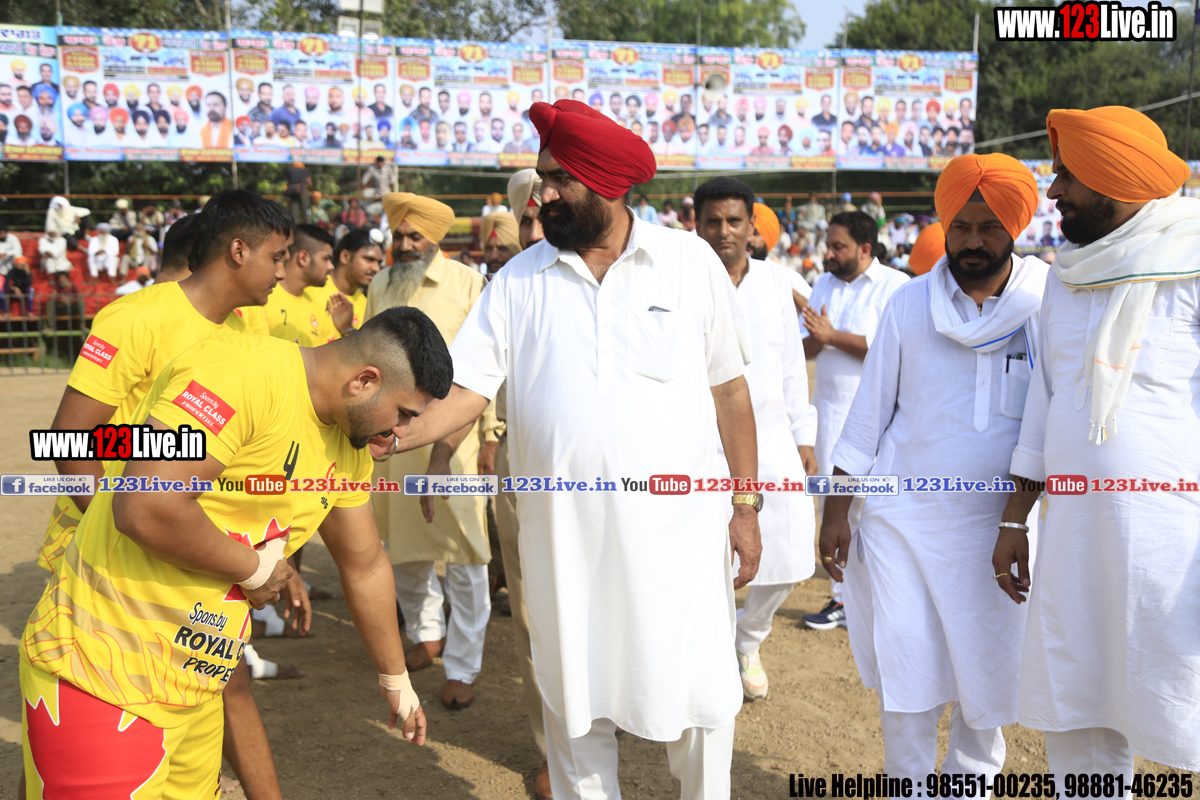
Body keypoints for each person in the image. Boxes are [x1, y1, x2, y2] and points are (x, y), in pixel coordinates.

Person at [375, 98, 758, 800]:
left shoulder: (687, 262)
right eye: (543, 178)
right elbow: (466, 392)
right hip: (563, 546)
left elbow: (730, 392)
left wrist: (746, 505)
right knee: (572, 702)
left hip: (677, 542)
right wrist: (391, 435)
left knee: (699, 698)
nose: (542, 194)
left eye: (558, 180)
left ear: (607, 184)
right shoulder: (519, 281)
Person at [20, 304, 437, 797]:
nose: (402, 433)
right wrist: (254, 569)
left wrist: (395, 678)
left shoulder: (350, 443)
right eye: (403, 413)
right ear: (364, 381)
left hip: (198, 687)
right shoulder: (237, 373)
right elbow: (144, 506)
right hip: (101, 673)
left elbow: (364, 564)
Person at [30, 194, 308, 800]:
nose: (284, 271)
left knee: (222, 686)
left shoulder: (249, 330)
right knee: (78, 712)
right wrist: (120, 517)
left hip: (186, 551)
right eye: (277, 256)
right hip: (111, 553)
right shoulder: (134, 319)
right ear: (239, 251)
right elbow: (69, 439)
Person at [992, 106, 1200, 782]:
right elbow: (1045, 401)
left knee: (1177, 696)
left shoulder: (1192, 262)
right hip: (1075, 533)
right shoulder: (1065, 276)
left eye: (1068, 176)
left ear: (1116, 178)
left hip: (1173, 539)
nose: (1054, 191)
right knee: (1077, 705)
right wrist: (1014, 519)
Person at [823, 153, 1046, 782]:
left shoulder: (1045, 304)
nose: (973, 241)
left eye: (990, 227)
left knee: (987, 684)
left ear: (1014, 228)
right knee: (909, 677)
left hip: (1001, 530)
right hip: (904, 524)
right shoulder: (909, 303)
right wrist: (836, 511)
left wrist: (1017, 521)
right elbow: (867, 416)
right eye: (961, 226)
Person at [364, 192, 496, 712]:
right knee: (402, 548)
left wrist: (487, 438)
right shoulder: (381, 283)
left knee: (464, 556)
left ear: (435, 239)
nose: (404, 244)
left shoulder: (469, 284)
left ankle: (463, 666)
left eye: (414, 235)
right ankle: (426, 634)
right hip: (389, 439)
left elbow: (484, 374)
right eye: (398, 234)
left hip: (452, 440)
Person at [694, 177, 818, 701]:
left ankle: (748, 638)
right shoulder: (684, 279)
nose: (724, 231)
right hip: (701, 440)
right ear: (696, 225)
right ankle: (714, 649)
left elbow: (791, 365)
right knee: (707, 553)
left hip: (772, 436)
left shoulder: (777, 282)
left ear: (752, 227)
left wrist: (804, 435)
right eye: (713, 221)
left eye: (734, 221)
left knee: (791, 552)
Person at [801, 211, 909, 629]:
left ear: (865, 249)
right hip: (829, 414)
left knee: (875, 510)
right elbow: (806, 348)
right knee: (837, 507)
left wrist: (831, 336)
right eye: (828, 245)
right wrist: (818, 338)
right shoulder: (823, 284)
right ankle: (843, 599)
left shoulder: (895, 286)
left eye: (838, 246)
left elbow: (890, 348)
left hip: (878, 420)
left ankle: (881, 600)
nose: (828, 254)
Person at [265, 224, 345, 345]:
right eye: (326, 259)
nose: (331, 266)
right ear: (303, 258)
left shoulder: (319, 308)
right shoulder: (263, 300)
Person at [311, 227, 384, 334]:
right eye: (369, 259)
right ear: (345, 256)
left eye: (379, 263)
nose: (376, 268)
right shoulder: (312, 291)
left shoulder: (367, 307)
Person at [480, 210, 519, 281]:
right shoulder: (479, 285)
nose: (493, 256)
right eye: (489, 248)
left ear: (518, 250)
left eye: (502, 249)